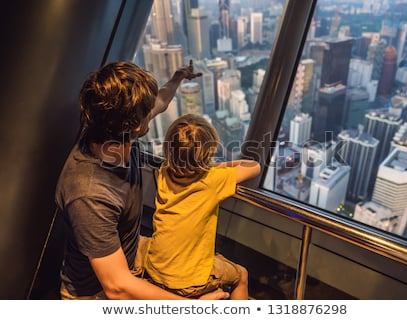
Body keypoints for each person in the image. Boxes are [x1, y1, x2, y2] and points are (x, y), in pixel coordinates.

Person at [55, 60, 229, 300]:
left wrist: (178, 77)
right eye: (148, 110)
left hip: (126, 258)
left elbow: (161, 99)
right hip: (93, 296)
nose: (155, 108)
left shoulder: (110, 126)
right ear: (137, 125)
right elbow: (117, 288)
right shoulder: (90, 193)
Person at [144, 113, 261, 299]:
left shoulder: (164, 171)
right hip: (188, 280)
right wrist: (219, 167)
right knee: (242, 275)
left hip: (156, 267)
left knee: (218, 261)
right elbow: (254, 166)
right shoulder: (211, 180)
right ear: (209, 152)